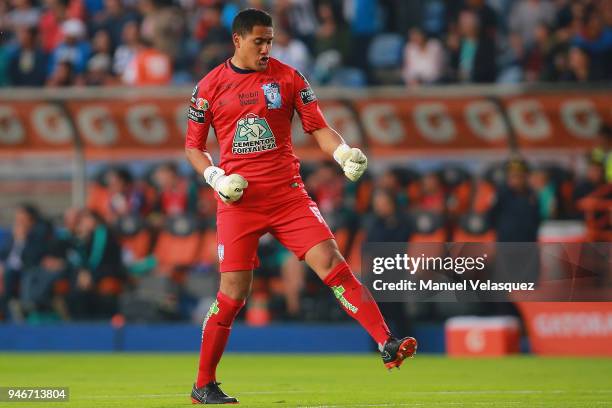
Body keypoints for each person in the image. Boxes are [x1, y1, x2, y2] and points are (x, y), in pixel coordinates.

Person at [184, 8, 417, 404]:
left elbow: (318, 127)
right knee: (233, 296)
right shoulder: (209, 87)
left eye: (270, 40)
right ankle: (203, 384)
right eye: (259, 41)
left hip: (288, 195)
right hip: (239, 201)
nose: (266, 48)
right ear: (237, 40)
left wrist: (342, 152)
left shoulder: (289, 78)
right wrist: (216, 178)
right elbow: (194, 147)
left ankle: (386, 342)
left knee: (331, 262)